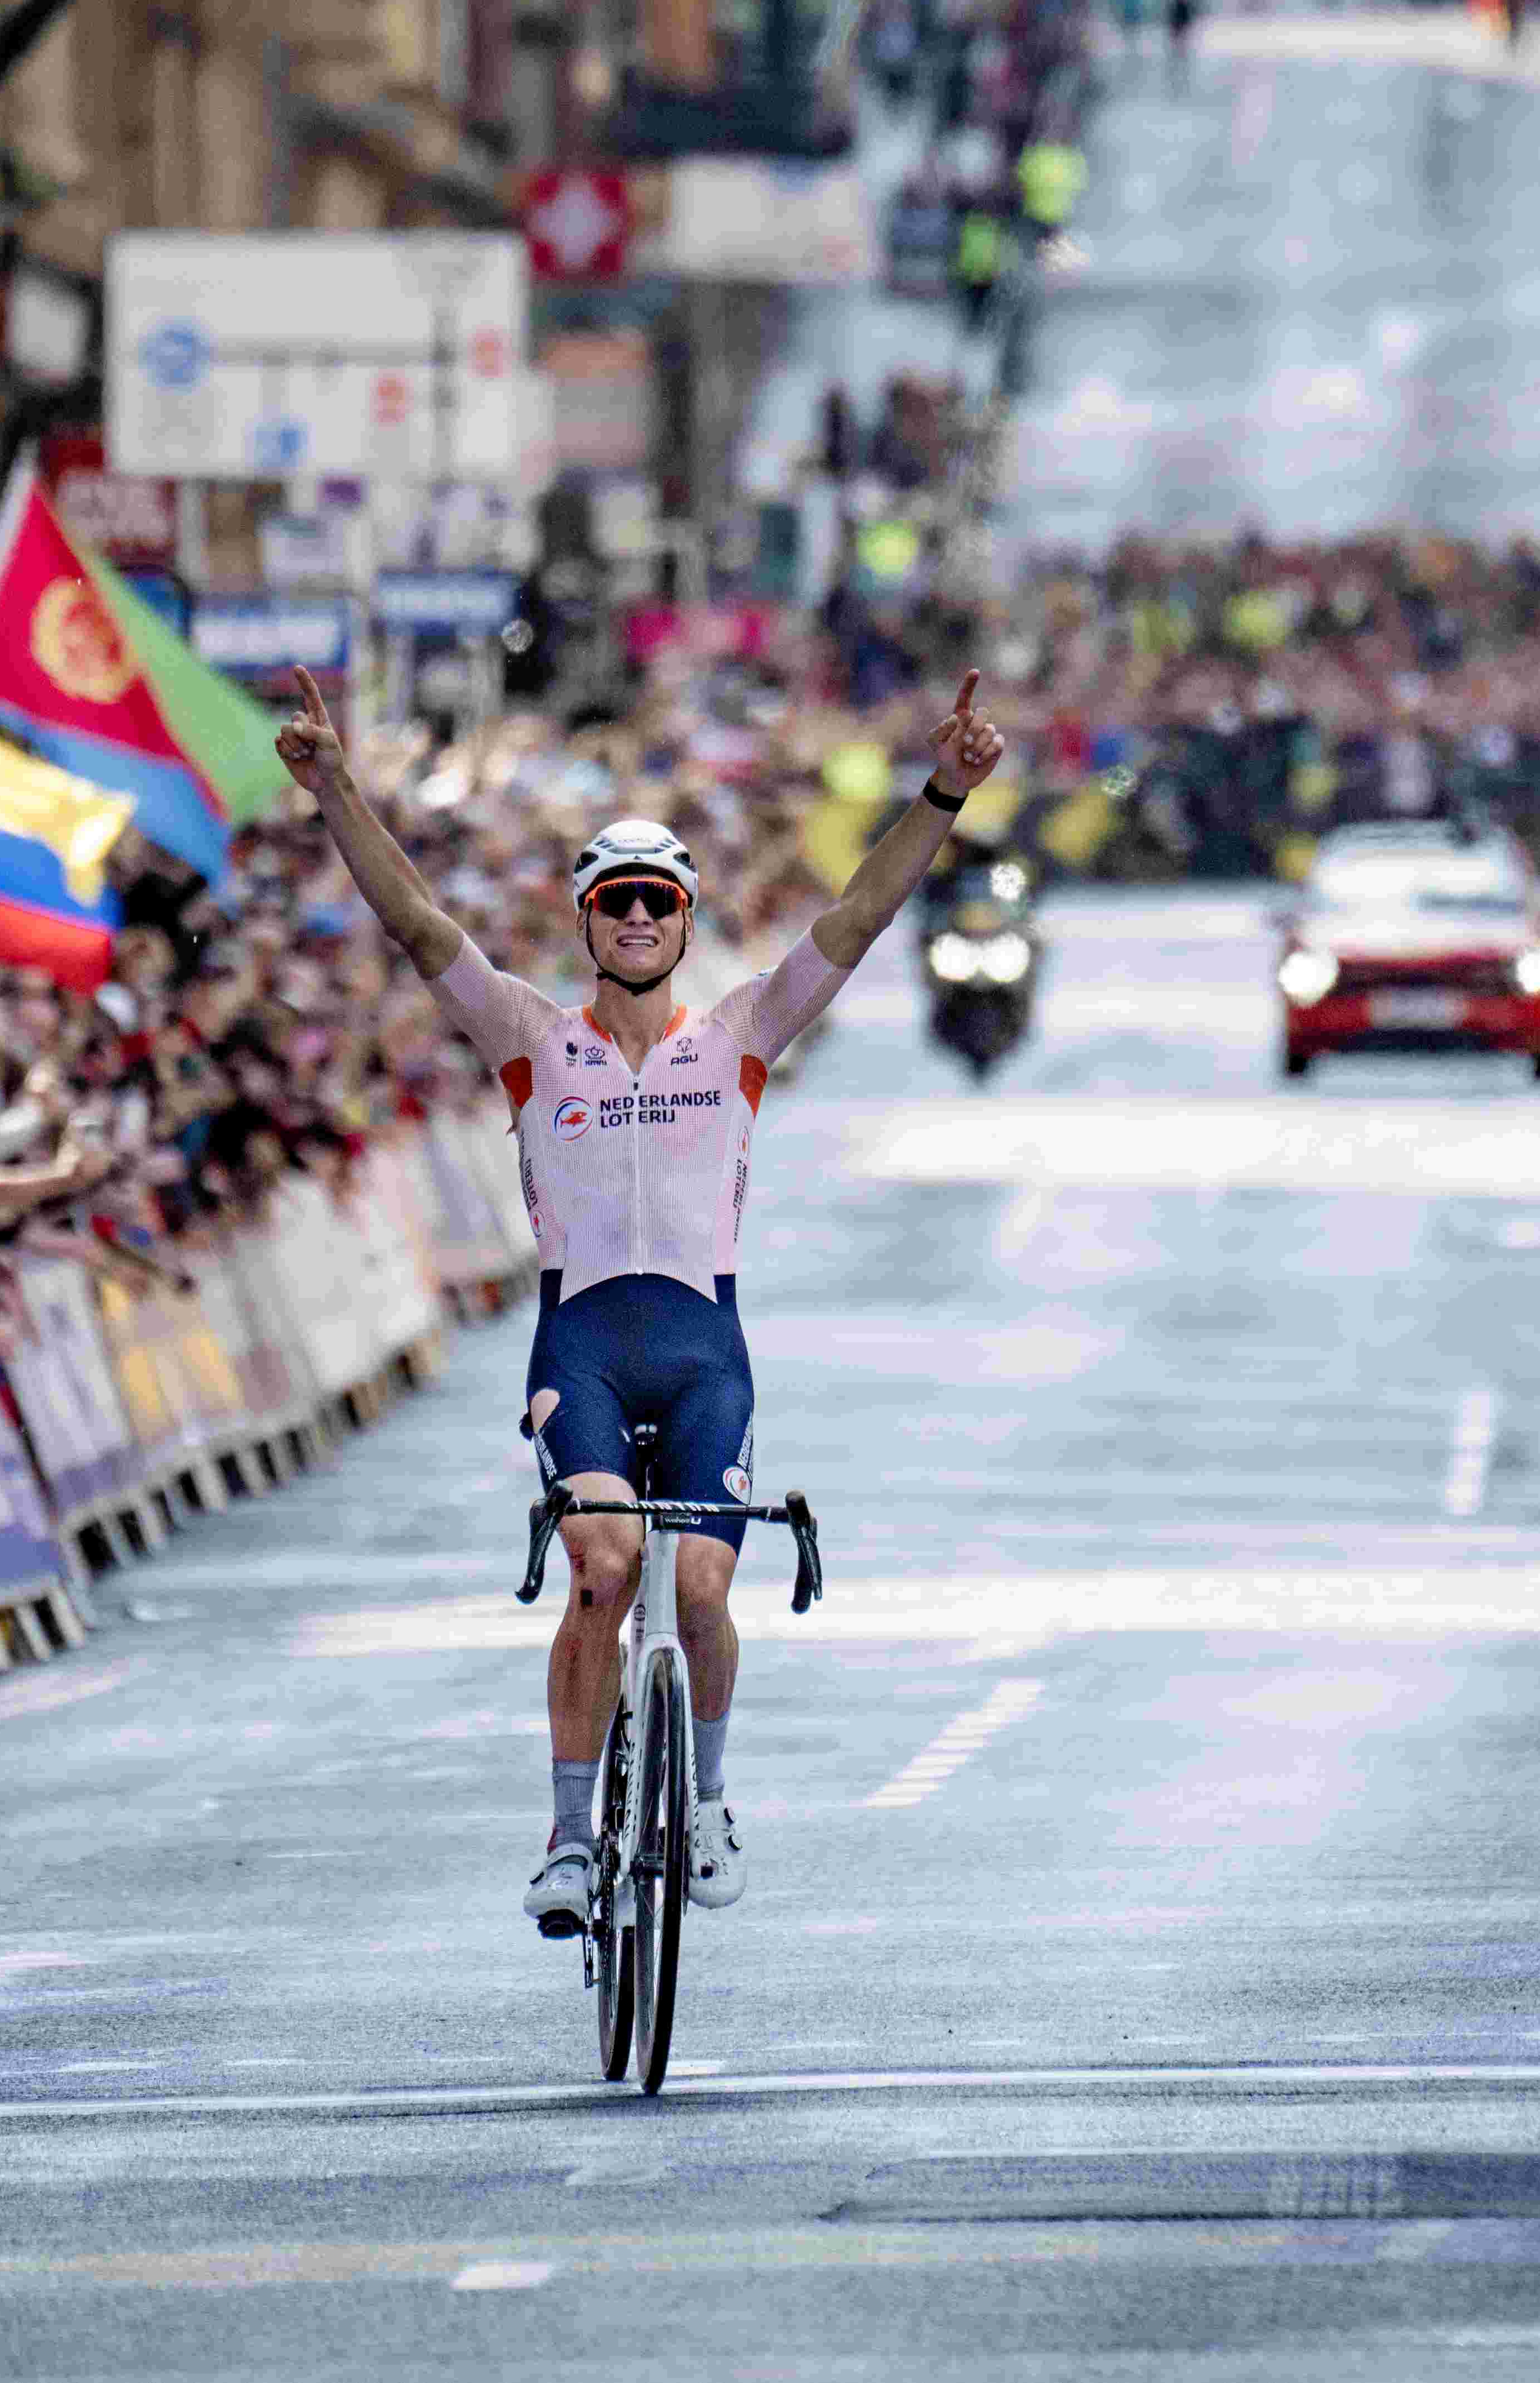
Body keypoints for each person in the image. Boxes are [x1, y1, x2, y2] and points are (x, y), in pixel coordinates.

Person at [273, 661, 1008, 1937]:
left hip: (702, 1344)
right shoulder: (524, 1034)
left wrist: (940, 792)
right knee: (605, 1569)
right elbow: (414, 924)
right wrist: (337, 790)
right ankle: (568, 1836)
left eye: (655, 902)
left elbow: (857, 914)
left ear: (681, 919)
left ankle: (709, 1799)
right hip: (585, 1344)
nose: (633, 920)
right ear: (583, 921)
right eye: (612, 901)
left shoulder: (734, 1036)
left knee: (708, 1595)